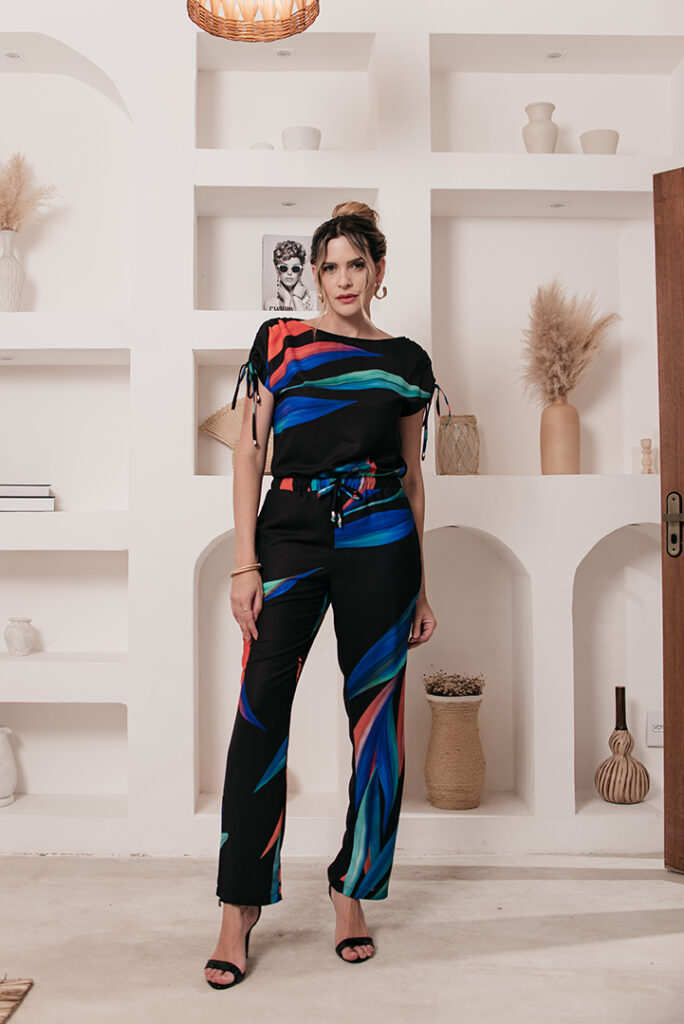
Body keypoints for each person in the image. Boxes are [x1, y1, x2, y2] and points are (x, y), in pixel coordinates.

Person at [204, 201, 450, 990]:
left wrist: (421, 588)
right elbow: (249, 455)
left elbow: (413, 477)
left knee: (376, 725)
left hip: (382, 538)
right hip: (291, 535)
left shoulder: (407, 361)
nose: (344, 280)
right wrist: (245, 563)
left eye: (357, 265)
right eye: (331, 267)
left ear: (378, 272)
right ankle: (239, 906)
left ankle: (353, 891)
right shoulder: (280, 342)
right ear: (315, 274)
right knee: (259, 712)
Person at [263, 238, 315, 311]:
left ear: (301, 271)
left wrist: (296, 299)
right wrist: (287, 300)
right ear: (277, 269)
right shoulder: (270, 303)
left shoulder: (314, 298)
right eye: (284, 268)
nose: (289, 273)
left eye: (295, 268)